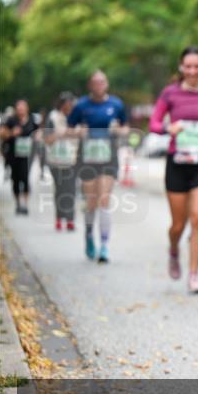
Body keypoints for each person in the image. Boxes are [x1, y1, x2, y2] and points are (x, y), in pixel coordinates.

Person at [150, 46, 198, 294]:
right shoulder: (170, 94)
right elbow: (154, 122)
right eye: (188, 67)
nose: (193, 71)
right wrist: (167, 129)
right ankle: (174, 249)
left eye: (197, 66)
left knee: (197, 218)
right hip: (177, 163)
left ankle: (194, 275)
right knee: (178, 224)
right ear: (181, 68)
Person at [68, 70, 129, 263]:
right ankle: (88, 235)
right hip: (87, 158)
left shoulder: (116, 104)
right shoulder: (81, 106)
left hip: (108, 157)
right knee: (91, 201)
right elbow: (69, 129)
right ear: (90, 85)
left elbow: (126, 128)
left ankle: (104, 245)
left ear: (107, 84)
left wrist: (118, 130)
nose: (98, 86)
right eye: (95, 82)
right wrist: (79, 132)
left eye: (102, 82)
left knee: (104, 199)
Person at [0, 99, 40, 214]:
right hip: (13, 155)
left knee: (25, 178)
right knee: (15, 179)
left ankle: (25, 205)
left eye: (22, 108)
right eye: (18, 108)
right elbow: (1, 134)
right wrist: (12, 133)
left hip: (27, 155)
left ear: (27, 108)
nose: (20, 110)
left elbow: (39, 131)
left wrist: (37, 136)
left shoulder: (32, 119)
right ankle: (18, 204)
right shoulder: (11, 120)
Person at [44, 92, 79, 230]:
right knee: (59, 190)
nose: (68, 107)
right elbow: (47, 139)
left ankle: (70, 219)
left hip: (72, 160)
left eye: (71, 104)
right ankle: (59, 218)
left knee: (70, 190)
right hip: (55, 160)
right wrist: (61, 134)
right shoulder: (52, 117)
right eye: (66, 104)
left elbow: (81, 133)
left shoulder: (77, 117)